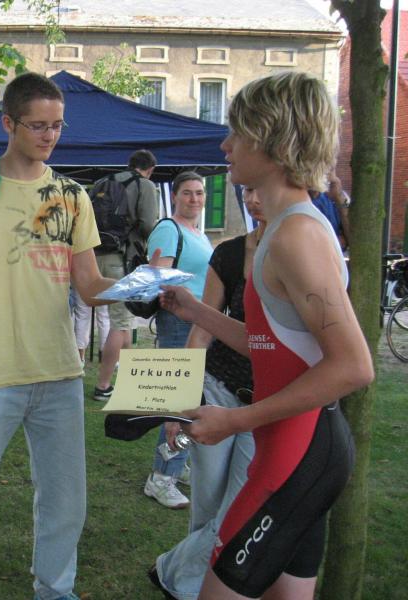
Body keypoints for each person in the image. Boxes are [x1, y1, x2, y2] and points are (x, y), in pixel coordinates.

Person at [160, 71, 373, 599]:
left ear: (274, 140)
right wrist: (196, 310)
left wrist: (236, 420)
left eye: (238, 132)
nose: (225, 145)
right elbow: (270, 346)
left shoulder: (296, 234)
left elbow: (353, 366)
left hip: (296, 454)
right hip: (295, 448)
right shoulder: (282, 229)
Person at [0, 72, 114, 600]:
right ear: (8, 123)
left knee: (65, 501)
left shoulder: (72, 195)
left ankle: (56, 590)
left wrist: (142, 285)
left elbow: (89, 285)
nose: (49, 135)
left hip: (59, 371)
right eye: (38, 125)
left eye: (57, 125)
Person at [149, 187, 263, 599]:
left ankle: (172, 570)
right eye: (248, 190)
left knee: (238, 510)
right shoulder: (228, 254)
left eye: (261, 188)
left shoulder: (297, 251)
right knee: (208, 505)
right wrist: (179, 402)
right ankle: (194, 586)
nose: (254, 199)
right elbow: (201, 331)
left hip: (265, 406)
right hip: (217, 390)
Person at [144, 171, 213, 510]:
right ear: (174, 196)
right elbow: (159, 277)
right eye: (187, 192)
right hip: (178, 322)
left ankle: (176, 463)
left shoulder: (198, 233)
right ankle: (161, 478)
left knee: (191, 398)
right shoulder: (169, 229)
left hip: (198, 322)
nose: (194, 199)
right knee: (178, 400)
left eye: (199, 193)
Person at [94, 149, 159, 400]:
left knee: (124, 319)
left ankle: (130, 375)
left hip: (96, 257)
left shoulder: (103, 182)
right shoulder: (144, 185)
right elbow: (148, 224)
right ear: (150, 169)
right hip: (123, 258)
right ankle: (102, 386)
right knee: (120, 323)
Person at [309, 169, 351, 250]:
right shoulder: (297, 197)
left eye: (332, 168)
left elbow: (353, 239)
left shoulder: (337, 195)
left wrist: (339, 198)